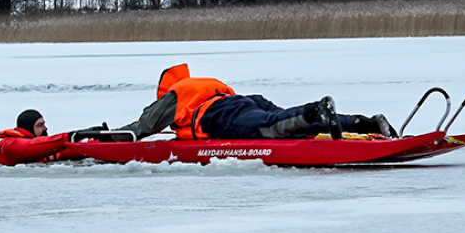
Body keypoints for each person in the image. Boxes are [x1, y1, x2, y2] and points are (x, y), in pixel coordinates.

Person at [116, 63, 397, 141]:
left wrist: (108, 137)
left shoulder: (176, 93)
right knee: (290, 125)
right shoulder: (202, 83)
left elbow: (145, 127)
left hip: (218, 115)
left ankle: (316, 110)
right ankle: (365, 123)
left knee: (269, 128)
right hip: (244, 101)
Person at [0, 109, 68, 166]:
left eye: (44, 124)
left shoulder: (47, 148)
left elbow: (65, 149)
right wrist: (68, 137)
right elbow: (33, 147)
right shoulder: (10, 144)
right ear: (28, 127)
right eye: (40, 125)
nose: (45, 128)